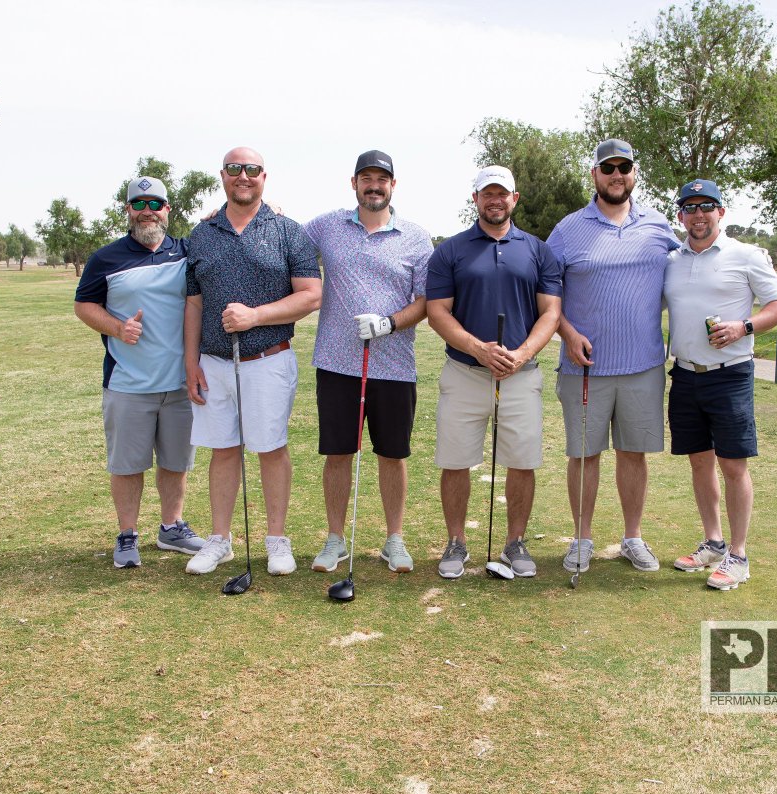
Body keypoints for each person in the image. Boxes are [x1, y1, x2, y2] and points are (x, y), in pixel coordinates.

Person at [181, 147, 321, 576]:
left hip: (268, 360)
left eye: (252, 170)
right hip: (214, 363)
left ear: (265, 176)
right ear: (223, 176)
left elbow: (311, 295)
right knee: (223, 451)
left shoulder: (287, 231)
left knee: (270, 449)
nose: (244, 176)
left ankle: (277, 540)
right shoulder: (201, 235)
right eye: (235, 169)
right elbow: (193, 303)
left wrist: (256, 316)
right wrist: (190, 362)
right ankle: (219, 539)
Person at [547, 139, 681, 576]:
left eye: (624, 167)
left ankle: (632, 538)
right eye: (608, 168)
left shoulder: (660, 226)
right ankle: (581, 540)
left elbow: (690, 271)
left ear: (634, 174)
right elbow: (545, 293)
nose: (617, 174)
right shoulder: (568, 229)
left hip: (643, 364)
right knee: (584, 455)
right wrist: (566, 332)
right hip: (583, 366)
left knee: (633, 453)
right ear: (595, 175)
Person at [425, 165, 562, 579]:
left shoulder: (539, 251)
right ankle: (455, 543)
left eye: (503, 193)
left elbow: (551, 312)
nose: (495, 200)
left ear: (514, 199)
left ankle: (515, 542)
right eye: (488, 193)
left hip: (520, 375)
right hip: (465, 371)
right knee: (456, 460)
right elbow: (437, 312)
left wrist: (519, 355)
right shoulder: (450, 250)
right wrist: (478, 349)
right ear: (476, 200)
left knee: (521, 462)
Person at [305, 150, 434, 574]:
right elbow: (284, 242)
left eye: (382, 179)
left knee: (392, 455)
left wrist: (388, 324)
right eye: (366, 178)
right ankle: (335, 539)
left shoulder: (416, 238)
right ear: (354, 183)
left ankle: (394, 539)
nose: (374, 186)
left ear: (393, 186)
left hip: (395, 365)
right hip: (338, 363)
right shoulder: (327, 227)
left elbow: (425, 303)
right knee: (338, 453)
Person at [664, 178, 777, 590]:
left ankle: (738, 555)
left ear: (721, 212)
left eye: (707, 206)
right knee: (699, 462)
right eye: (689, 207)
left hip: (730, 376)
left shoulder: (746, 255)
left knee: (732, 466)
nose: (698, 214)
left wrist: (745, 326)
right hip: (684, 374)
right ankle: (714, 543)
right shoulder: (671, 259)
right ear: (681, 214)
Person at [73, 176, 206, 569]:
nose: (147, 211)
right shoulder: (106, 259)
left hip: (181, 383)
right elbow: (84, 305)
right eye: (139, 204)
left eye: (155, 204)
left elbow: (222, 231)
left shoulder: (186, 252)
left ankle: (171, 528)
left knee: (175, 462)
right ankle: (127, 535)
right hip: (128, 383)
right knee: (127, 465)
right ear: (128, 211)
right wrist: (117, 328)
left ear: (167, 210)